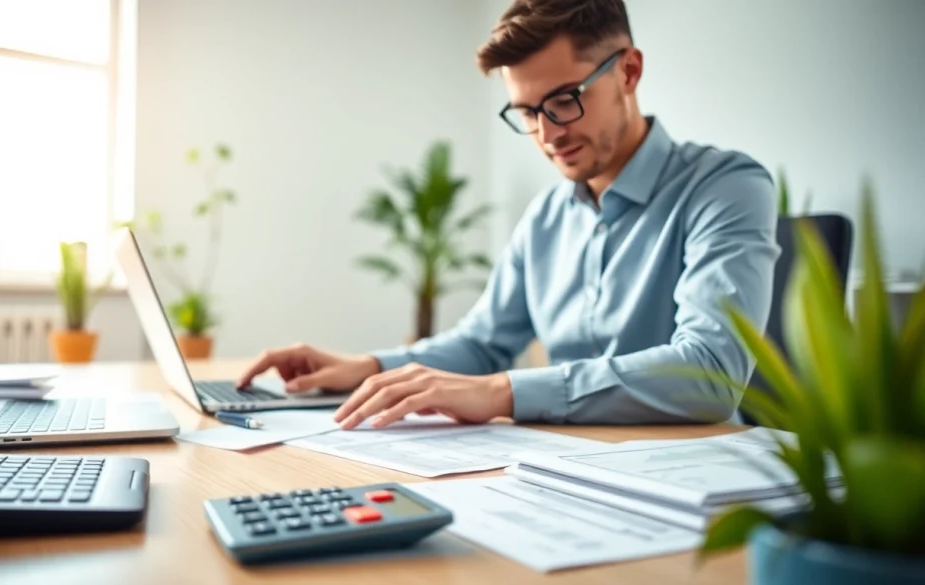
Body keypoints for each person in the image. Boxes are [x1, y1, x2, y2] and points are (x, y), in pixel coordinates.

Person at [236, 0, 779, 430]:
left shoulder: (725, 187)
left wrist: (501, 391)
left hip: (690, 477)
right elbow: (482, 343)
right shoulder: (547, 216)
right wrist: (370, 368)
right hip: (561, 466)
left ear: (629, 72)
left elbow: (711, 373)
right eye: (526, 111)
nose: (547, 134)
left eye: (566, 100)